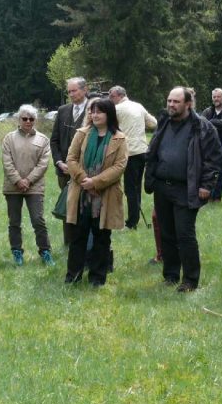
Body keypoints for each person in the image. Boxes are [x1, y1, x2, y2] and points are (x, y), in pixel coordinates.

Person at [144, 87, 221, 292]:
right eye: (169, 101)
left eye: (176, 101)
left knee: (184, 234)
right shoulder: (164, 123)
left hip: (187, 189)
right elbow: (153, 151)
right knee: (166, 233)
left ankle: (190, 280)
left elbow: (213, 159)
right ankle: (170, 275)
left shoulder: (202, 127)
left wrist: (207, 185)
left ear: (188, 104)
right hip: (162, 187)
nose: (171, 105)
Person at [64, 98, 128, 287]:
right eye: (92, 111)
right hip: (81, 195)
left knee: (101, 238)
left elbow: (119, 166)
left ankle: (97, 278)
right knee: (77, 238)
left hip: (105, 197)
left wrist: (95, 182)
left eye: (99, 111)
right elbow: (71, 158)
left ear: (109, 114)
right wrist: (84, 179)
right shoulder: (82, 134)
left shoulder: (120, 138)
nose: (95, 115)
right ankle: (73, 276)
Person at [2, 104, 54, 267]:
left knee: (38, 220)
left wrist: (28, 181)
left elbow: (43, 164)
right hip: (12, 187)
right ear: (19, 119)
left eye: (31, 119)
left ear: (35, 120)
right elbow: (7, 162)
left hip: (35, 187)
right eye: (24, 118)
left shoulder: (43, 140)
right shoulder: (9, 138)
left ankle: (45, 251)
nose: (28, 121)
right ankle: (17, 252)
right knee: (14, 222)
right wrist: (18, 180)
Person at [109, 85, 157, 229]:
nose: (110, 99)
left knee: (130, 188)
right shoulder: (139, 106)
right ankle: (134, 217)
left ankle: (132, 222)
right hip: (142, 150)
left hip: (128, 152)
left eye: (111, 96)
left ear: (118, 95)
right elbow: (153, 123)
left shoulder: (116, 109)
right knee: (136, 186)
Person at [50, 77, 89, 246]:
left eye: (75, 90)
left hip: (86, 171)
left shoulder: (94, 110)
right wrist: (59, 162)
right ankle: (69, 243)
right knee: (68, 206)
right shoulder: (63, 110)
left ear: (85, 89)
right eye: (69, 91)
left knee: (86, 207)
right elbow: (54, 140)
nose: (71, 94)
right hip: (64, 171)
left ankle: (86, 243)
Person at [201, 88, 222, 202]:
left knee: (221, 173)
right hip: (209, 147)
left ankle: (217, 198)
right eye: (214, 97)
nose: (216, 99)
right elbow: (202, 125)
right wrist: (218, 124)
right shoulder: (207, 111)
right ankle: (209, 197)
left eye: (218, 97)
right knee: (209, 172)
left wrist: (212, 122)